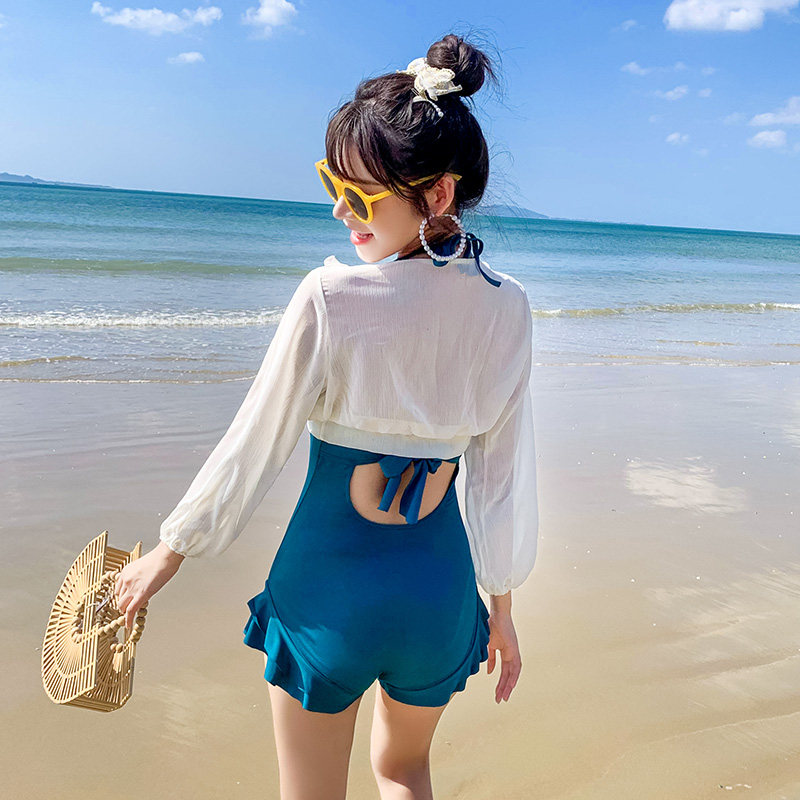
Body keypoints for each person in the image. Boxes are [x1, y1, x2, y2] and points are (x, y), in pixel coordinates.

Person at [114, 33, 539, 800]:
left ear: (437, 195)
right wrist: (501, 607)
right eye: (333, 184)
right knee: (404, 772)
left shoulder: (331, 297)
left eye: (362, 195)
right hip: (439, 599)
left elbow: (257, 440)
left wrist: (171, 551)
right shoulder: (509, 308)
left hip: (328, 592)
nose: (342, 211)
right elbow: (501, 473)